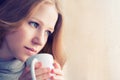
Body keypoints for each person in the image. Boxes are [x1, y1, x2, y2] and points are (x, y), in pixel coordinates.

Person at [0, 0, 66, 80]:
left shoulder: (40, 71)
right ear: (9, 15)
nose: (40, 41)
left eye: (47, 32)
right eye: (34, 24)